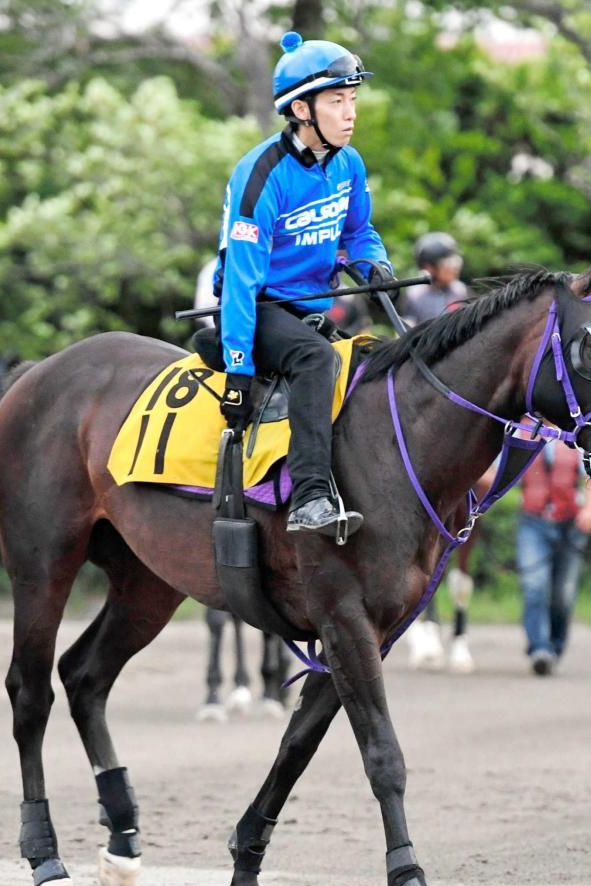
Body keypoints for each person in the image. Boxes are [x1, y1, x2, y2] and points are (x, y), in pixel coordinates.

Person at [213, 32, 393, 539]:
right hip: (261, 307)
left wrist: (373, 264)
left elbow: (359, 231)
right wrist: (239, 369)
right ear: (301, 109)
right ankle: (310, 497)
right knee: (317, 361)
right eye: (337, 101)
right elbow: (242, 285)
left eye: (353, 99)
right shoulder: (260, 174)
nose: (350, 112)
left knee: (376, 361)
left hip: (317, 309)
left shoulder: (349, 164)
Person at [517, 440, 591, 676]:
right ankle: (539, 649)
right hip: (533, 522)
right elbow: (493, 471)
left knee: (563, 595)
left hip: (570, 524)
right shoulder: (521, 433)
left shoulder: (580, 437)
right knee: (534, 585)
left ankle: (555, 647)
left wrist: (589, 511)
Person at [404, 232, 469, 326]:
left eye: (456, 261)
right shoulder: (416, 296)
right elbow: (406, 329)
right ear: (429, 267)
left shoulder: (460, 290)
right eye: (448, 263)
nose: (455, 268)